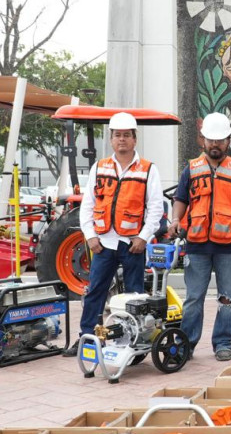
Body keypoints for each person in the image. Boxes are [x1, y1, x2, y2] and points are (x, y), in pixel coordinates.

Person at [67, 112, 164, 355]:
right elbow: (87, 205)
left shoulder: (148, 170)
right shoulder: (99, 167)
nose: (122, 140)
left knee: (134, 297)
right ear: (111, 139)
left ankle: (133, 342)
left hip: (132, 245)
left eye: (126, 136)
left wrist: (143, 237)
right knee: (95, 293)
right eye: (117, 135)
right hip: (103, 244)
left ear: (135, 139)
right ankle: (87, 337)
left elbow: (155, 208)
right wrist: (90, 236)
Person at [168, 113, 231, 362]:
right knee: (193, 298)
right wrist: (176, 220)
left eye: (219, 140)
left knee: (227, 298)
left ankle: (223, 342)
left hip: (228, 247)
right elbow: (180, 199)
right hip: (197, 245)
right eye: (210, 140)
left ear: (228, 141)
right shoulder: (191, 169)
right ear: (203, 140)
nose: (214, 145)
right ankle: (187, 343)